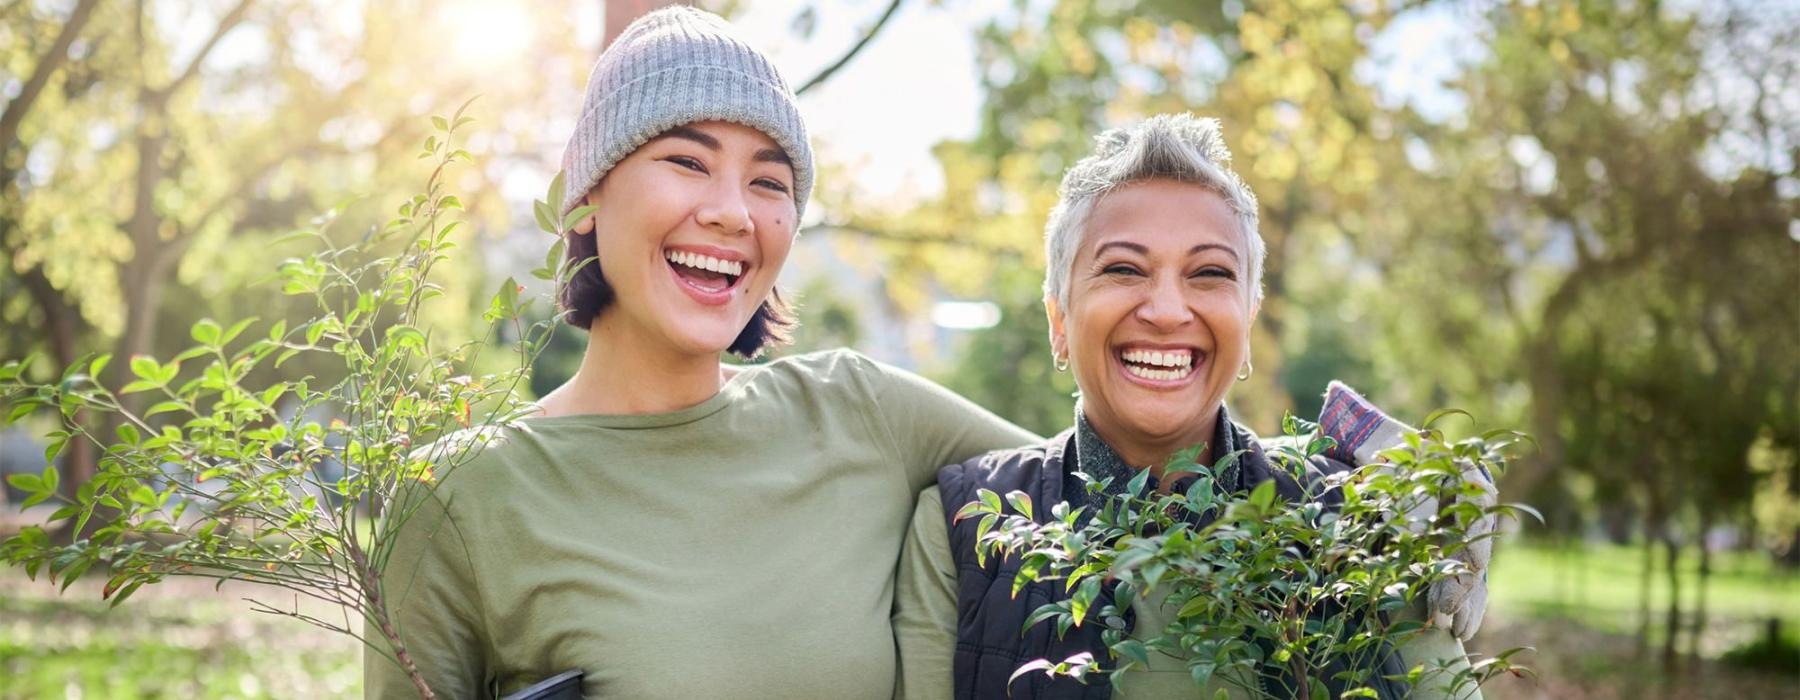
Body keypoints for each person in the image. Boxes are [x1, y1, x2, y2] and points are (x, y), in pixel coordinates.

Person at [363, 8, 1039, 698]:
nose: (733, 212)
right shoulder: (457, 497)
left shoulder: (866, 412)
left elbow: (1116, 501)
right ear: (586, 194)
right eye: (688, 162)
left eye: (768, 183)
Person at [893, 114, 1490, 699]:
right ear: (1059, 320)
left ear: (1248, 322)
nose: (1168, 310)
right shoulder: (961, 526)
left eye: (1209, 272)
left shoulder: (1361, 514)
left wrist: (1433, 485)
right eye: (1124, 268)